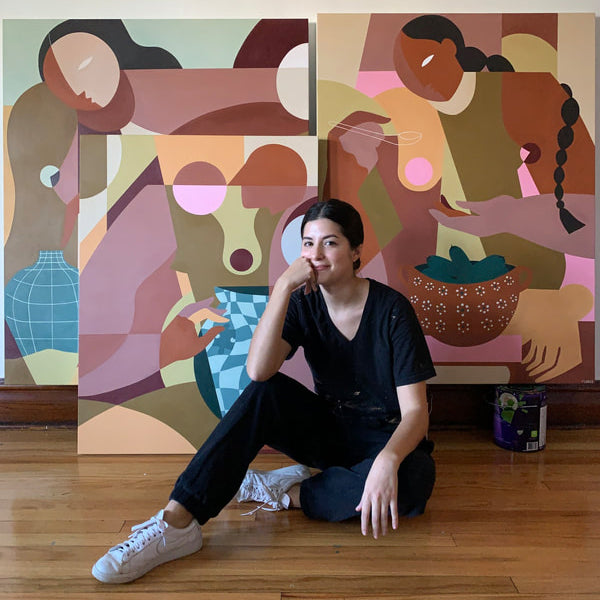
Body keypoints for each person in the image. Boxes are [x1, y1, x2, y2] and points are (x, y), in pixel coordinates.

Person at [91, 198, 437, 584]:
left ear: (357, 252)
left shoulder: (392, 311)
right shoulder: (303, 302)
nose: (315, 255)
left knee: (413, 482)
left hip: (386, 437)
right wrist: (282, 290)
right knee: (264, 393)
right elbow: (259, 371)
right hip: (329, 433)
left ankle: (288, 491)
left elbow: (416, 415)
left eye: (330, 243)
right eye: (308, 243)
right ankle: (177, 523)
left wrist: (386, 463)